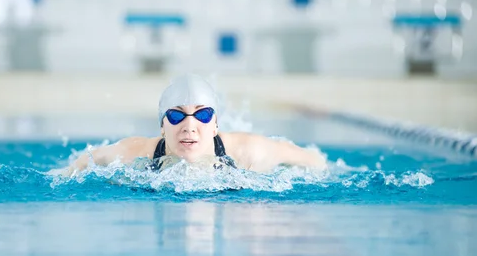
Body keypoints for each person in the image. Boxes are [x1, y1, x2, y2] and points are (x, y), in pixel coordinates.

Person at [60, 74, 326, 176]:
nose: (189, 126)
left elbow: (314, 162)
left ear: (215, 125)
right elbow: (87, 160)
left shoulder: (249, 152)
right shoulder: (135, 152)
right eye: (176, 116)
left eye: (202, 115)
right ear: (162, 126)